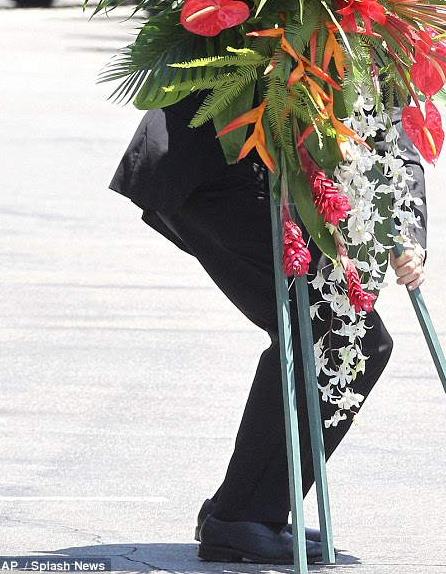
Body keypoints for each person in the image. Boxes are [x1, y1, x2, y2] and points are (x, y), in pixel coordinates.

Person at [110, 92, 427, 565]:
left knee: (340, 335)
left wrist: (408, 235)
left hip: (264, 180)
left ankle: (244, 508)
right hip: (218, 169)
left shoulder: (390, 48)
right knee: (336, 333)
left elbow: (391, 127)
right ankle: (242, 517)